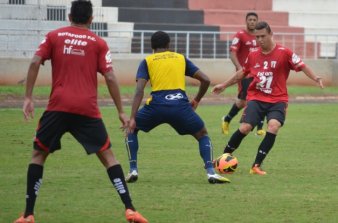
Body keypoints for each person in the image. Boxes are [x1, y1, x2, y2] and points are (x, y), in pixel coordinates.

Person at [14, 1, 148, 223]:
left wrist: (28, 97)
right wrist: (121, 112)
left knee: (38, 155)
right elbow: (111, 77)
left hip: (57, 107)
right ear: (91, 20)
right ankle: (130, 209)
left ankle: (28, 214)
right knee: (108, 157)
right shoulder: (98, 43)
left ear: (69, 16)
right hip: (87, 110)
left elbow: (35, 61)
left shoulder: (53, 36)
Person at [212, 21, 324, 175]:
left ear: (271, 34)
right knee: (245, 128)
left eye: (263, 36)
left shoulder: (284, 52)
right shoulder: (253, 55)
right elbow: (242, 73)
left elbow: (302, 66)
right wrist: (224, 85)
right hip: (256, 98)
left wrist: (315, 78)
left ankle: (256, 165)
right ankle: (223, 158)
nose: (260, 40)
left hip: (278, 99)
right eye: (257, 37)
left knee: (273, 126)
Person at [124, 31, 230, 184]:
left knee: (132, 129)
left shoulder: (147, 61)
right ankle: (211, 172)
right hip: (180, 105)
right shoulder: (180, 58)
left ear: (152, 47)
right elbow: (206, 80)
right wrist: (196, 100)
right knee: (202, 134)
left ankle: (133, 169)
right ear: (169, 45)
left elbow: (139, 90)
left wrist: (132, 117)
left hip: (156, 106)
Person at [222, 12, 266, 136]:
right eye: (250, 19)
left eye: (254, 20)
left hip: (259, 73)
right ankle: (227, 119)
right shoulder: (240, 35)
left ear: (257, 21)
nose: (252, 22)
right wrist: (240, 68)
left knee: (261, 96)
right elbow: (232, 53)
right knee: (243, 101)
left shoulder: (260, 36)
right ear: (246, 21)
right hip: (245, 74)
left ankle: (259, 128)